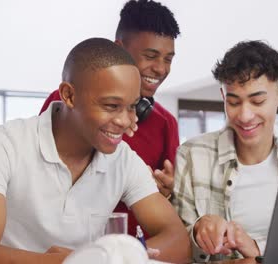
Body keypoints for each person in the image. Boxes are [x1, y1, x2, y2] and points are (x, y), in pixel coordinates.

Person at [0, 38, 190, 264]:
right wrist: (80, 261)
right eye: (111, 106)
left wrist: (111, 257)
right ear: (69, 95)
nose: (125, 121)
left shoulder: (124, 159)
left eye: (132, 107)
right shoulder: (1, 144)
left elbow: (178, 241)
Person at [39, 0, 180, 236]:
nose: (160, 68)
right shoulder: (65, 102)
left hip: (131, 249)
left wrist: (167, 192)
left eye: (168, 59)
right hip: (64, 243)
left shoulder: (165, 123)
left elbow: (171, 211)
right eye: (151, 55)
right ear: (120, 48)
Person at [172, 40, 278, 262]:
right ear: (223, 97)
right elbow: (176, 250)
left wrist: (258, 250)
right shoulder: (193, 155)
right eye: (233, 102)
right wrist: (197, 232)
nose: (245, 116)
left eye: (257, 101)